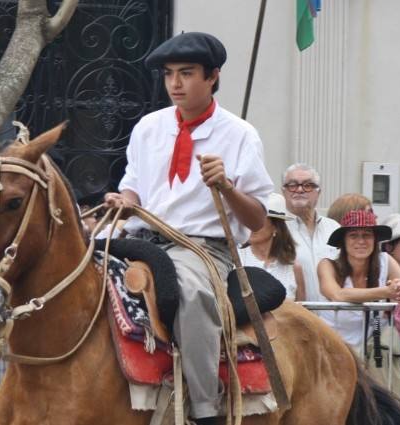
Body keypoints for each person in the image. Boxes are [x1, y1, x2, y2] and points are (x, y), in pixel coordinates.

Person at [103, 32, 273, 424]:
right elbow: (133, 184)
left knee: (192, 295)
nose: (175, 83)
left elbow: (257, 219)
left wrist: (226, 186)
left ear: (212, 77)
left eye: (186, 73)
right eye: (168, 74)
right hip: (140, 237)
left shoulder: (241, 134)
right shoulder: (148, 126)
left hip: (202, 248)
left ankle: (205, 408)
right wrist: (124, 200)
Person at [317, 209, 400, 350]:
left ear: (375, 240)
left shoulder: (385, 261)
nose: (361, 241)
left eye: (367, 235)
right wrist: (387, 292)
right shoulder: (327, 265)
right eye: (353, 235)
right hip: (332, 350)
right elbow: (337, 295)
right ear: (343, 241)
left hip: (371, 354)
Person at [282, 163, 340, 302]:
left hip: (334, 313)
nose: (299, 190)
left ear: (318, 192)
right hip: (295, 313)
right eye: (292, 185)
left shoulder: (334, 228)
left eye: (308, 185)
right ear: (283, 191)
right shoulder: (277, 230)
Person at [239, 193, 306, 301]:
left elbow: (301, 308)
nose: (251, 225)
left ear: (275, 227)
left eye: (258, 220)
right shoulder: (235, 261)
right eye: (248, 219)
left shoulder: (294, 268)